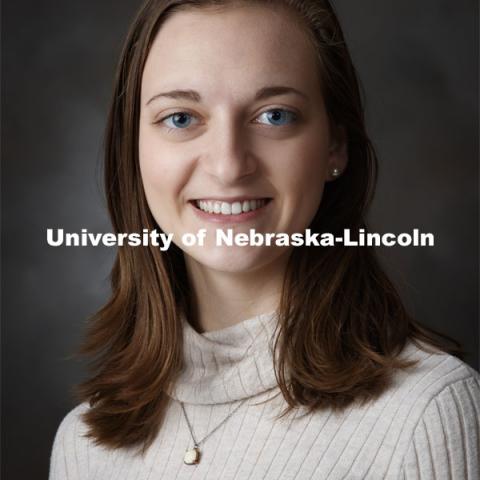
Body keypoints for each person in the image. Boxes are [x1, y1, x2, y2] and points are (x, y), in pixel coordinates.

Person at [49, 0, 480, 478]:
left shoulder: (427, 412)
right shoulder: (83, 443)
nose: (229, 165)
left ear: (335, 146)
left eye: (275, 115)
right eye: (180, 118)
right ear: (133, 149)